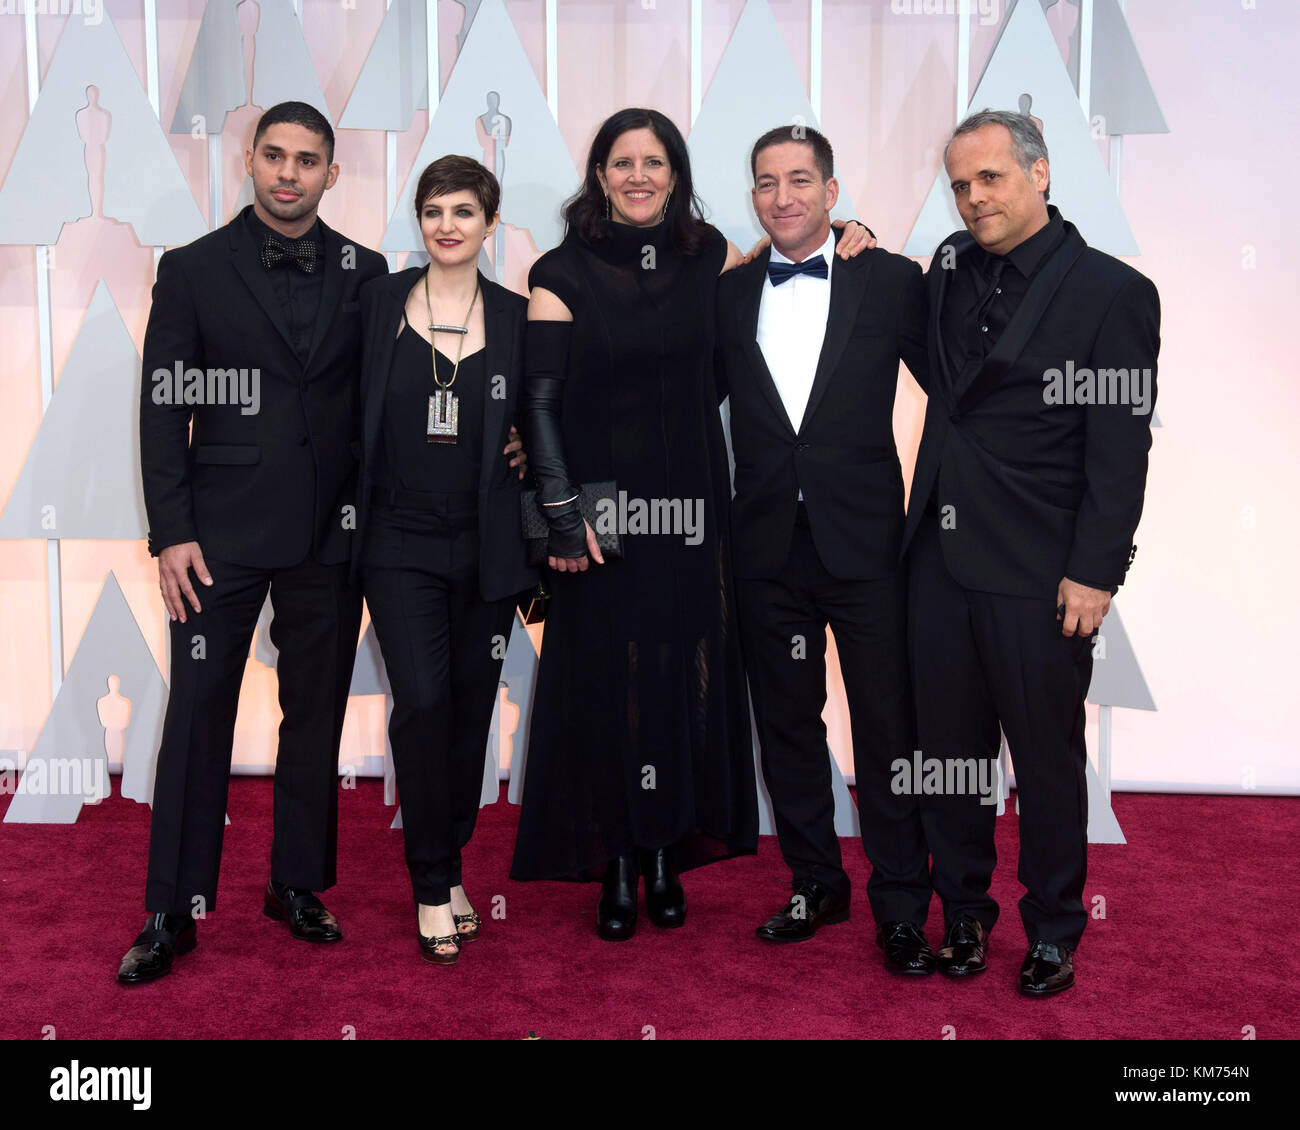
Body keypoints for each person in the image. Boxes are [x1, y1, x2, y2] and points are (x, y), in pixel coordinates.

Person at [510, 109, 871, 940]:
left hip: (696, 499)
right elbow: (538, 404)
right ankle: (619, 862)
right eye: (622, 162)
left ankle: (668, 848)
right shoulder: (558, 269)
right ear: (599, 174)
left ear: (675, 174)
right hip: (599, 504)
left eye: (656, 161)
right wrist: (559, 516)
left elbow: (798, 258)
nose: (639, 175)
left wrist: (853, 230)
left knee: (680, 675)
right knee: (608, 681)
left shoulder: (708, 255)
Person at [120, 102, 388, 984]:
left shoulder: (369, 271)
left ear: (331, 173)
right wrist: (172, 534)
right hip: (218, 538)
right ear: (248, 159)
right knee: (198, 714)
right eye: (274, 155)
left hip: (329, 534)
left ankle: (296, 885)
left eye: (307, 160)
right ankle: (172, 910)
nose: (288, 172)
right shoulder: (194, 269)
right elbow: (165, 405)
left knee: (312, 717)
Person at [902, 109, 1159, 995]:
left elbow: (1122, 448)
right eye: (960, 184)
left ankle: (1053, 929)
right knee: (950, 757)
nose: (973, 198)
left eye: (991, 179)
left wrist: (1096, 569)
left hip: (1044, 572)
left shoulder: (1113, 292)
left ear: (1040, 173)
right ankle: (964, 918)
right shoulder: (943, 268)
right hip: (935, 561)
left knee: (1047, 764)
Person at [715, 126, 938, 972]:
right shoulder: (730, 297)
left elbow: (956, 390)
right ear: (755, 197)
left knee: (888, 727)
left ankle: (902, 905)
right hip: (767, 546)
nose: (784, 197)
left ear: (834, 192)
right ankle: (815, 881)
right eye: (767, 183)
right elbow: (679, 403)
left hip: (869, 546)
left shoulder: (889, 280)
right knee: (788, 728)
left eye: (801, 180)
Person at [353, 156, 532, 965]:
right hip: (396, 542)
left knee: (466, 712)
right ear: (419, 222)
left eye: (465, 210)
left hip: (488, 546)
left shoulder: (522, 318)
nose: (448, 224)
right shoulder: (379, 303)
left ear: (490, 224)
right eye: (434, 211)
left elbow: (556, 415)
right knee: (422, 704)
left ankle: (452, 866)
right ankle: (430, 882)